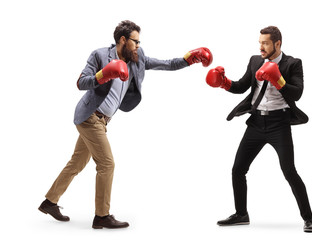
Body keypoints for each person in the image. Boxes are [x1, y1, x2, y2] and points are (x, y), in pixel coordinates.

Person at [38, 20, 213, 229]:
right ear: (123, 39)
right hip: (89, 117)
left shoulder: (137, 58)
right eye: (135, 41)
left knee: (77, 163)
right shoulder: (100, 55)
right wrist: (104, 73)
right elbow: (81, 82)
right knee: (107, 164)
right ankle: (102, 216)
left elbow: (166, 64)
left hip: (103, 121)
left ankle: (49, 202)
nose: (138, 45)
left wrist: (188, 59)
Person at [205, 26, 312, 233]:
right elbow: (241, 86)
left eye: (265, 43)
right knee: (238, 169)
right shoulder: (255, 60)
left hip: (279, 123)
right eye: (260, 42)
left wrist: (278, 78)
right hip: (256, 123)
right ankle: (241, 214)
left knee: (289, 171)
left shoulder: (293, 63)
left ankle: (309, 218)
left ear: (277, 44)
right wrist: (224, 83)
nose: (261, 47)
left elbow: (297, 93)